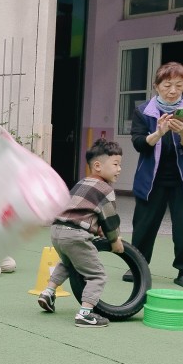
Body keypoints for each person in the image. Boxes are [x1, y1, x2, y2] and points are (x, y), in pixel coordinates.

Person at [128, 61, 183, 290]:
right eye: (167, 85)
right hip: (151, 180)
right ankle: (137, 266)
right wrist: (159, 133)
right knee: (143, 226)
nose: (173, 91)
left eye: (178, 86)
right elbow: (139, 144)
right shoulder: (143, 111)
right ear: (156, 86)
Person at [37, 138, 124, 328]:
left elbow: (83, 212)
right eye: (115, 164)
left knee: (68, 263)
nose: (119, 169)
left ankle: (48, 292)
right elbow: (110, 220)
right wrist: (114, 240)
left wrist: (96, 228)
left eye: (120, 165)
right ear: (98, 166)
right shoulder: (105, 189)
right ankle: (85, 314)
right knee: (97, 275)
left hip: (57, 230)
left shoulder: (82, 182)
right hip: (75, 234)